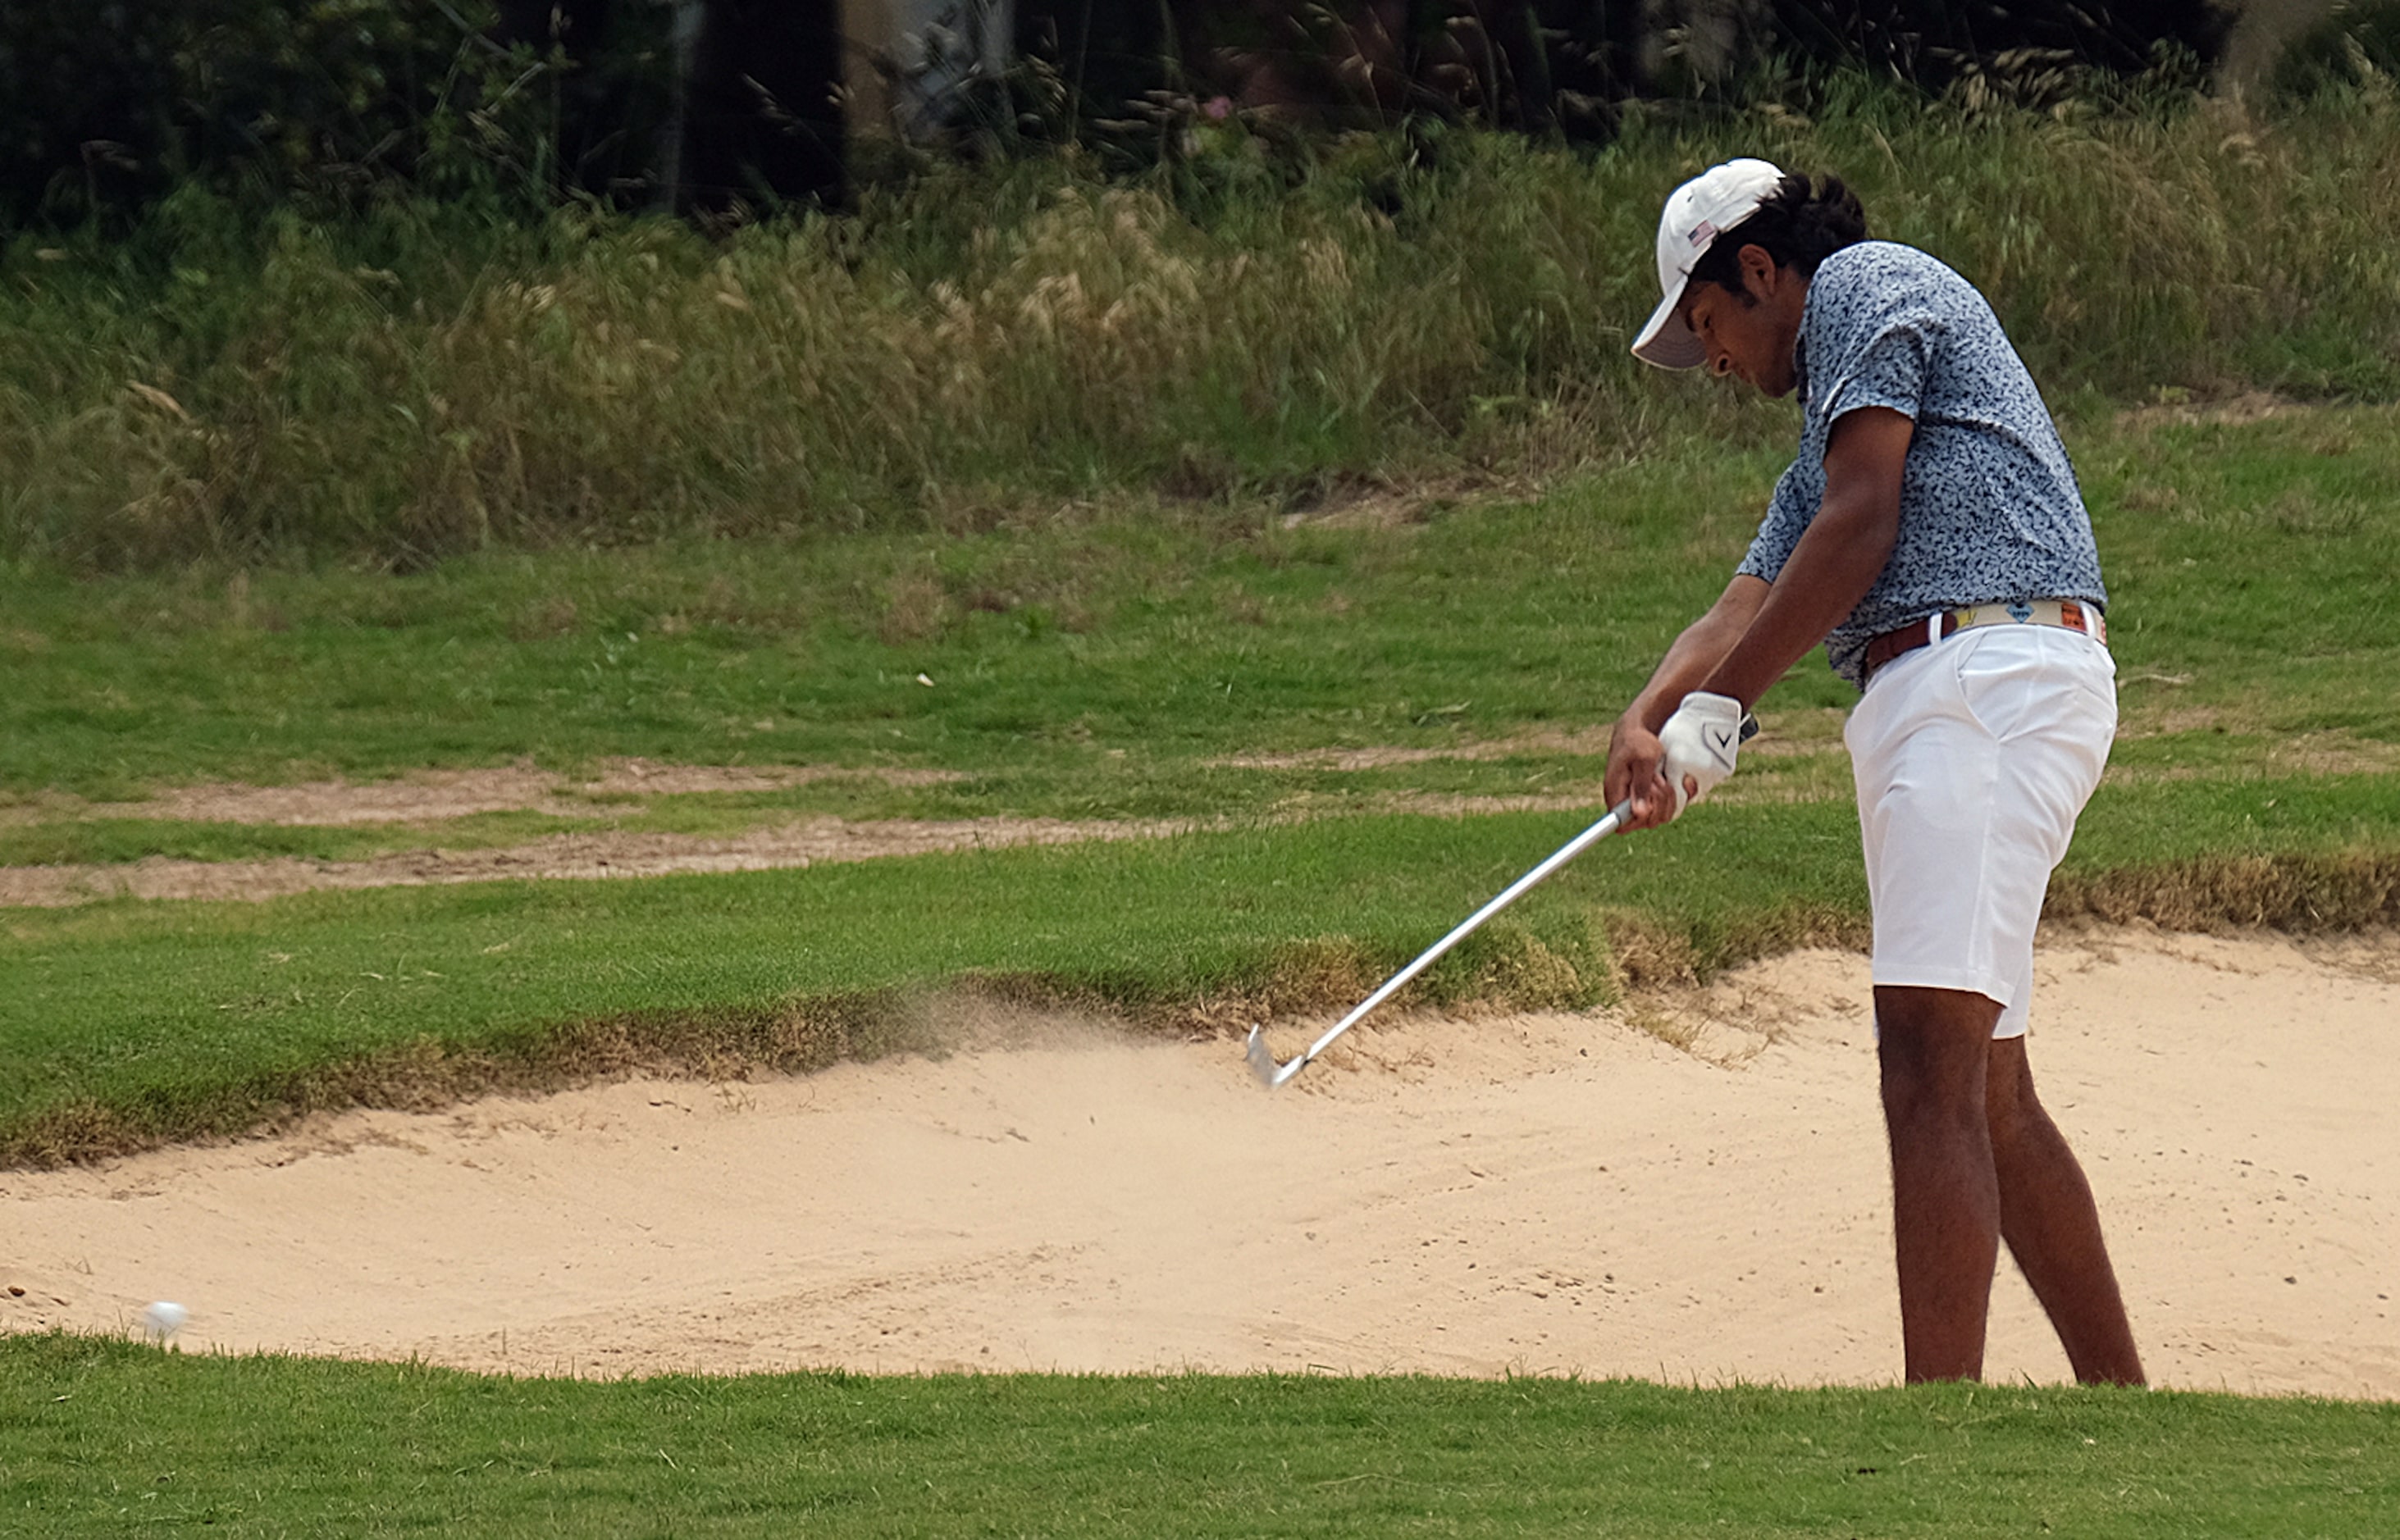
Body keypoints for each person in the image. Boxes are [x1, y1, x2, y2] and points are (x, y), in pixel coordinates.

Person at [1603, 158, 2145, 1386]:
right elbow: (1743, 598)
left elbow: (1865, 523)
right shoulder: (1823, 441)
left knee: (1922, 1056)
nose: (1718, 365)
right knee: (1985, 1084)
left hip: (1983, 677)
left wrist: (1720, 713)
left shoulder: (1862, 284)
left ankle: (1932, 1428)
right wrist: (1648, 716)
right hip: (1955, 693)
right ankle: (2124, 1403)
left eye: (1708, 327)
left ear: (1756, 269)